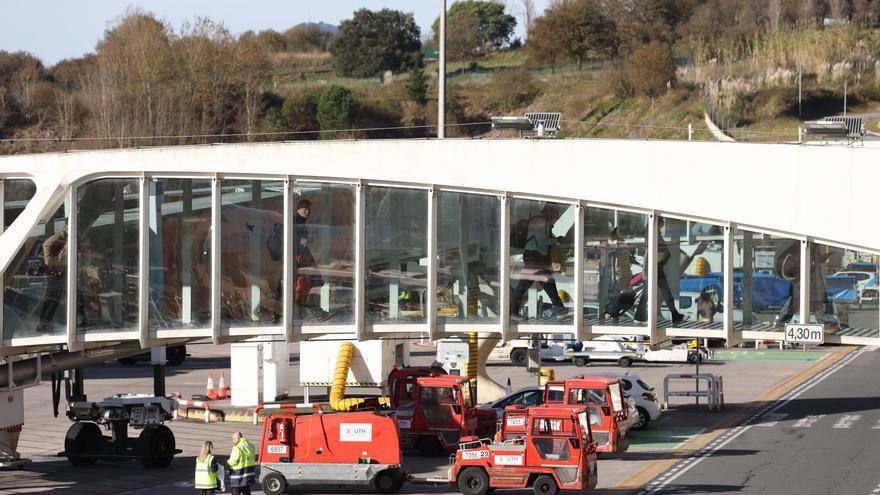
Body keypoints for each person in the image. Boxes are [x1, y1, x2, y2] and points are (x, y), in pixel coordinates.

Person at [510, 204, 568, 320]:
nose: (557, 215)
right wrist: (556, 240)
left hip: (536, 257)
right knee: (538, 282)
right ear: (550, 209)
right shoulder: (539, 221)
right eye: (556, 211)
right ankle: (512, 311)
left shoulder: (541, 221)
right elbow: (542, 241)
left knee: (545, 282)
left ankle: (559, 307)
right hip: (535, 257)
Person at [634, 219, 685, 324]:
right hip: (654, 268)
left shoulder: (656, 234)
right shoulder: (653, 235)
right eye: (661, 223)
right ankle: (640, 317)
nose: (663, 225)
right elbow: (648, 252)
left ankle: (674, 314)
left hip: (657, 268)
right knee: (655, 293)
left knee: (661, 293)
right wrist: (645, 271)